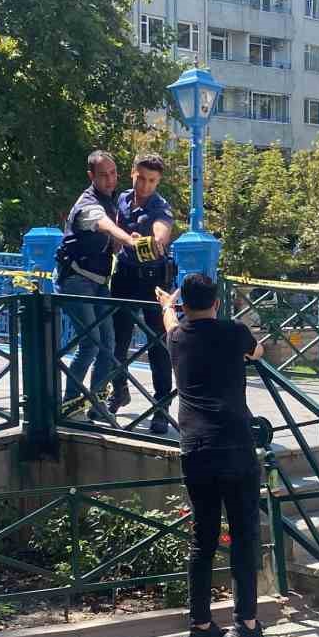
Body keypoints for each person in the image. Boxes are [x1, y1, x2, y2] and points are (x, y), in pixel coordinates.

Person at [156, 272, 273, 637]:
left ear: (185, 305)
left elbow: (170, 321)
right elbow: (256, 353)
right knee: (243, 537)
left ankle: (201, 625)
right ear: (217, 302)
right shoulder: (234, 332)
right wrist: (255, 351)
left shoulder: (177, 337)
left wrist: (166, 305)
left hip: (196, 448)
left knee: (202, 540)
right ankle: (247, 623)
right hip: (236, 446)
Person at [57, 151, 142, 422]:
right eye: (103, 175)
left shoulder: (111, 201)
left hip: (99, 282)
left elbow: (108, 239)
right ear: (91, 176)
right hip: (76, 281)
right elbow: (103, 225)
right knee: (90, 345)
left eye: (114, 173)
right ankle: (70, 406)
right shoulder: (88, 204)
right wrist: (129, 241)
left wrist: (126, 239)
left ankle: (97, 404)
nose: (110, 179)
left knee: (109, 344)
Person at [108, 154, 176, 436]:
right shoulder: (122, 199)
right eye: (142, 178)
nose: (146, 186)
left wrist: (157, 240)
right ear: (133, 173)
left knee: (157, 346)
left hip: (154, 283)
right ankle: (118, 392)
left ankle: (160, 409)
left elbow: (162, 230)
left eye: (153, 181)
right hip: (123, 277)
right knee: (117, 341)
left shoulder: (160, 206)